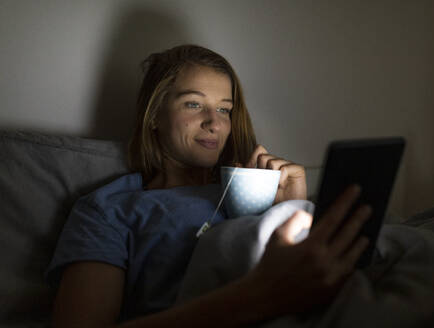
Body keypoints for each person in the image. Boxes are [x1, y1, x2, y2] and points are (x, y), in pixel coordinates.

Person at [46, 44, 372, 327]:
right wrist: (257, 296)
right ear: (154, 115)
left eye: (223, 109)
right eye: (193, 104)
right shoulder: (108, 209)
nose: (213, 122)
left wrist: (291, 209)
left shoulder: (254, 188)